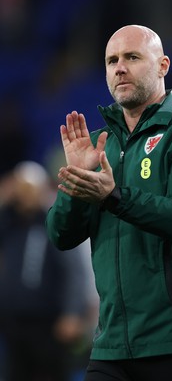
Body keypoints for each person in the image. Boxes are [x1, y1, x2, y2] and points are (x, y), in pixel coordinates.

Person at [46, 24, 172, 381]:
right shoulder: (98, 145)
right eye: (111, 60)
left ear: (163, 66)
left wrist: (112, 197)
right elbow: (61, 235)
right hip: (111, 345)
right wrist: (75, 185)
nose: (119, 67)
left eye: (132, 57)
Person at [0, 161, 95, 381]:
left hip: (49, 321)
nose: (25, 195)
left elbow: (74, 271)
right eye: (21, 189)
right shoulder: (9, 223)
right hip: (13, 320)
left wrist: (72, 312)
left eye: (29, 188)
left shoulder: (53, 221)